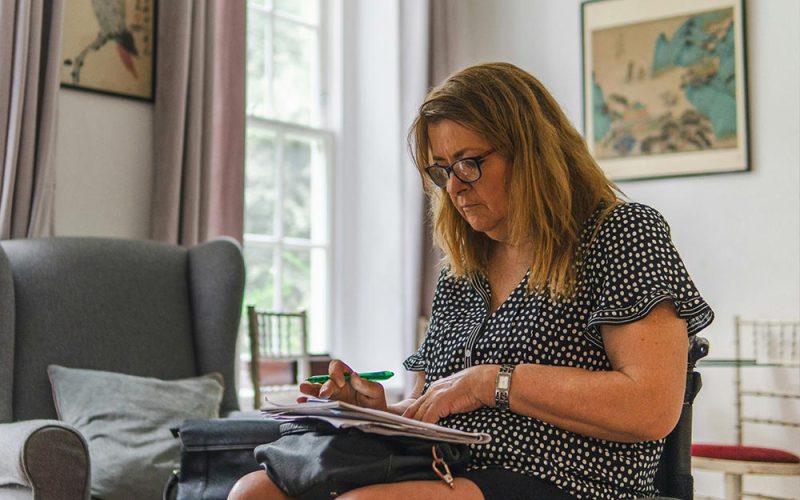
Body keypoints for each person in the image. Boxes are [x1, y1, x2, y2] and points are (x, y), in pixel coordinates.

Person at [228, 62, 714, 500]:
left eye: (468, 163)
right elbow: (432, 405)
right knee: (254, 491)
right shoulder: (463, 270)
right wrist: (374, 412)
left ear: (532, 152)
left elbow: (651, 408)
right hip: (449, 467)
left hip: (570, 477)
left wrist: (493, 382)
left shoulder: (619, 233)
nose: (455, 186)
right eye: (441, 171)